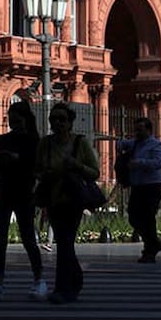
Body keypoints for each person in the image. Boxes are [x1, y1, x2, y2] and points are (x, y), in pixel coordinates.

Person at [35, 102, 99, 304]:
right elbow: (37, 168)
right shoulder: (45, 143)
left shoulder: (80, 143)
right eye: (53, 119)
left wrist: (77, 166)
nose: (57, 123)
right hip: (53, 198)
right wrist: (45, 173)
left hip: (73, 199)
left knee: (65, 242)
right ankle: (75, 279)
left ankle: (63, 288)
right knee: (64, 242)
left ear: (70, 122)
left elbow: (94, 172)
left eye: (62, 119)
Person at [0, 100, 43, 302]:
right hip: (4, 190)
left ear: (26, 119)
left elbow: (37, 167)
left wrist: (18, 159)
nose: (15, 125)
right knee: (0, 239)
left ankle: (39, 279)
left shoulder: (34, 141)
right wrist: (1, 160)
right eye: (12, 121)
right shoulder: (4, 140)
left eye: (18, 121)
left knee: (28, 238)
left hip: (24, 191)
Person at [116, 116, 161, 262]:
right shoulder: (135, 144)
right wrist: (120, 144)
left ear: (149, 130)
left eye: (140, 129)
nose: (137, 132)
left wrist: (139, 163)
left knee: (148, 217)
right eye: (136, 129)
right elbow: (121, 144)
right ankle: (153, 242)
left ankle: (149, 250)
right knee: (133, 216)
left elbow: (159, 162)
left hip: (152, 185)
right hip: (138, 186)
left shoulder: (156, 145)